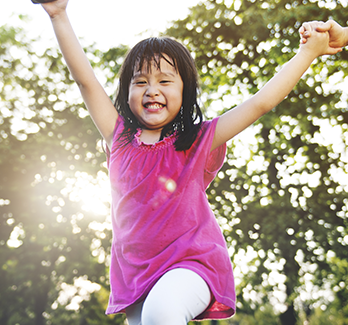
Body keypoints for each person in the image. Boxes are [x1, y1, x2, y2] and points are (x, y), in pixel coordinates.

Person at [36, 1, 339, 324]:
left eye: (165, 81)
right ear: (126, 92)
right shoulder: (119, 138)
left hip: (193, 266)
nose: (152, 90)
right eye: (140, 82)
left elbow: (261, 103)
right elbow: (86, 82)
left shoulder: (197, 140)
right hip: (136, 280)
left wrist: (307, 53)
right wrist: (58, 14)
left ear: (185, 91)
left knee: (162, 313)